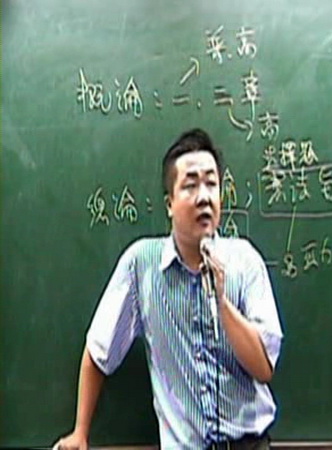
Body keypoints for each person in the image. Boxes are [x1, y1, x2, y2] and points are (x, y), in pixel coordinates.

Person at [53, 128, 283, 450]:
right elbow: (98, 351)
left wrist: (221, 302)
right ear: (170, 204)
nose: (204, 197)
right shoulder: (141, 265)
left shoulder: (245, 261)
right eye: (190, 185)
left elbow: (263, 367)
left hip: (250, 444)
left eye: (212, 184)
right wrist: (80, 432)